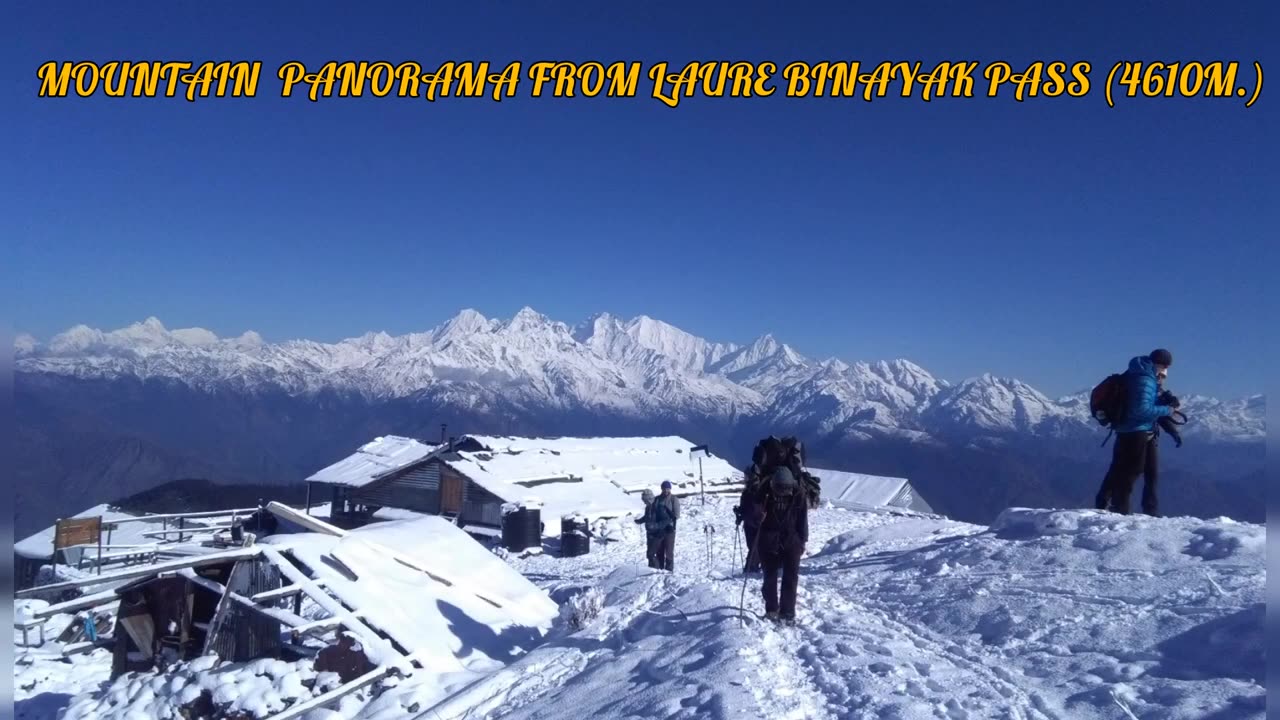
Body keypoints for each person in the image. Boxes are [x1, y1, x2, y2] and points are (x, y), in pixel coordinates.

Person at [1095, 349, 1179, 516]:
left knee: (1146, 471)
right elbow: (1141, 410)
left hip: (1140, 429)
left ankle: (1145, 509)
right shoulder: (1145, 380)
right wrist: (1168, 410)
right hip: (1135, 431)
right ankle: (1120, 507)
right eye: (1165, 366)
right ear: (1160, 364)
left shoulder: (1141, 375)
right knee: (1132, 470)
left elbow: (1144, 404)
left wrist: (1169, 424)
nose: (1166, 370)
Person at [756, 466, 809, 624]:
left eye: (786, 489)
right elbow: (752, 515)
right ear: (773, 485)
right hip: (768, 541)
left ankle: (787, 612)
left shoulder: (798, 494)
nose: (783, 492)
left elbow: (802, 519)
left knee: (791, 577)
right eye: (780, 489)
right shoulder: (764, 494)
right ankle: (772, 609)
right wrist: (758, 515)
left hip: (791, 540)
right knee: (770, 577)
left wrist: (802, 541)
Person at [735, 479, 764, 573]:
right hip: (749, 523)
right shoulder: (746, 493)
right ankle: (751, 567)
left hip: (759, 523)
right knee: (752, 546)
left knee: (757, 546)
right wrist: (738, 514)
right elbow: (743, 508)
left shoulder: (762, 493)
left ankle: (751, 567)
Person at [653, 480, 680, 571]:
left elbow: (676, 515)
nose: (666, 490)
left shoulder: (673, 499)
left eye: (668, 489)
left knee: (669, 550)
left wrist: (667, 520)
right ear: (662, 489)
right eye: (664, 489)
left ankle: (669, 569)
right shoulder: (657, 499)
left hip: (669, 529)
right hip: (659, 529)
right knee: (659, 550)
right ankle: (659, 569)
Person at [633, 489, 662, 568]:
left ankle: (656, 569)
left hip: (657, 534)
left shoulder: (658, 506)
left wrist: (655, 526)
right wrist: (640, 521)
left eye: (645, 500)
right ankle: (651, 569)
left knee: (652, 553)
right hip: (649, 533)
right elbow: (647, 517)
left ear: (649, 499)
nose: (644, 502)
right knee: (649, 553)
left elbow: (664, 519)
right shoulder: (648, 507)